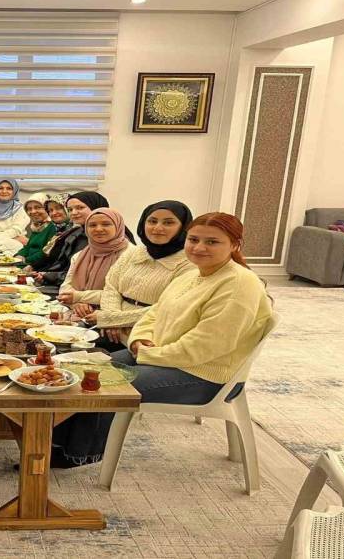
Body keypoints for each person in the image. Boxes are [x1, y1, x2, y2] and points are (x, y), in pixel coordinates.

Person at [50, 212, 274, 468]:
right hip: (166, 357)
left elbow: (205, 347)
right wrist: (138, 339)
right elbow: (154, 314)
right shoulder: (194, 274)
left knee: (104, 385)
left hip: (204, 374)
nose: (199, 248)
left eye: (212, 242)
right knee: (82, 370)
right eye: (194, 240)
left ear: (235, 245)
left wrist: (147, 354)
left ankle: (79, 453)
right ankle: (53, 440)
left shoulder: (239, 284)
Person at [82, 201, 195, 352]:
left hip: (148, 334)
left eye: (168, 223)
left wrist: (113, 320)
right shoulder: (134, 252)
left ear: (184, 227)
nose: (157, 228)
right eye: (152, 221)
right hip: (111, 328)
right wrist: (112, 317)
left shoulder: (189, 264)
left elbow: (166, 309)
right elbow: (111, 287)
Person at [57, 208, 134, 319]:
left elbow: (122, 295)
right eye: (92, 225)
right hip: (80, 314)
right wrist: (77, 304)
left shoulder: (131, 255)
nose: (98, 229)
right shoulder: (80, 255)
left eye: (106, 224)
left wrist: (79, 297)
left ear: (118, 226)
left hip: (113, 316)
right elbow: (65, 288)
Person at [26, 191, 110, 290]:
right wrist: (43, 274)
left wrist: (47, 275)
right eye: (70, 209)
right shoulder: (75, 231)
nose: (74, 213)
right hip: (61, 282)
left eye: (80, 208)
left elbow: (85, 274)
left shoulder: (101, 236)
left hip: (80, 289)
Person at [14, 192, 54, 266]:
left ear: (47, 209)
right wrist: (18, 255)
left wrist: (25, 260)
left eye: (38, 207)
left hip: (38, 266)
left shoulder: (53, 227)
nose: (33, 211)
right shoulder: (37, 226)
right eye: (29, 209)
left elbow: (46, 253)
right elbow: (28, 247)